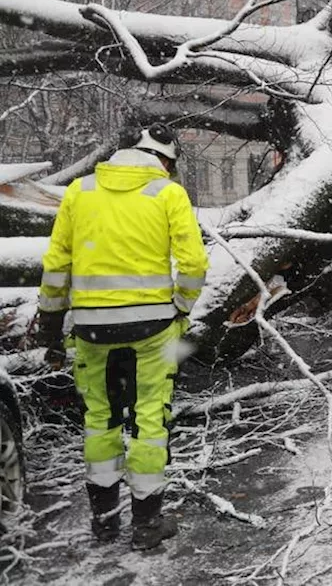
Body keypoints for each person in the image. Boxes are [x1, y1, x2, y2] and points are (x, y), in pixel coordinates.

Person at [35, 123, 208, 550]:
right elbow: (193, 265)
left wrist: (51, 326)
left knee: (99, 420)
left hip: (92, 328)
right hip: (153, 329)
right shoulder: (167, 193)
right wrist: (180, 310)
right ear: (165, 159)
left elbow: (57, 263)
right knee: (150, 420)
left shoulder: (80, 191)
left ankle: (105, 524)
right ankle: (147, 525)